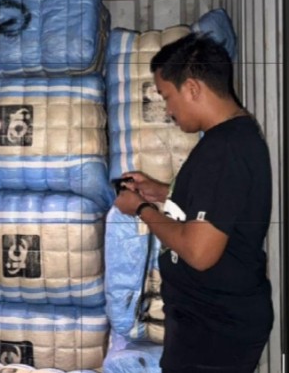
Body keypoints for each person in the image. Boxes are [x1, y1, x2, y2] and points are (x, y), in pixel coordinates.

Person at [114, 33, 273, 373]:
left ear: (192, 88)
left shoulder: (224, 149)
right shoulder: (230, 138)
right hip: (210, 322)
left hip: (215, 329)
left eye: (167, 97)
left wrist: (141, 210)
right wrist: (161, 193)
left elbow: (200, 253)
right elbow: (220, 207)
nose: (168, 110)